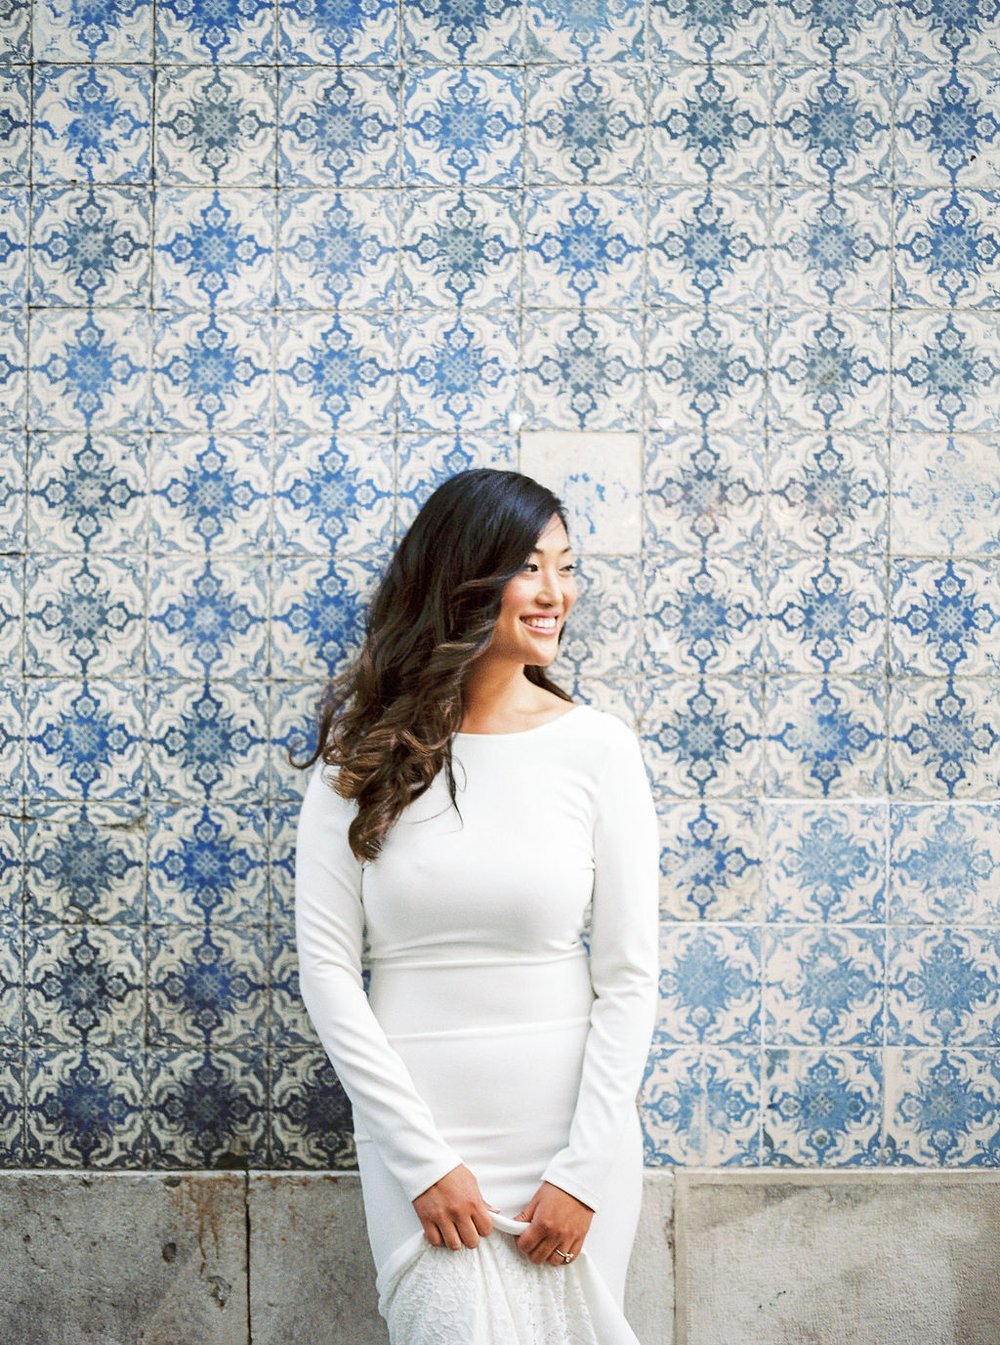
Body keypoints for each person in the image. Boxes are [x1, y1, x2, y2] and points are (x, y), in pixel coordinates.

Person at [293, 468, 659, 1344]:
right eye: (529, 567)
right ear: (462, 578)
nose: (555, 592)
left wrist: (583, 1171)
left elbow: (629, 979)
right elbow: (329, 972)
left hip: (570, 1145)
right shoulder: (361, 758)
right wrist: (421, 1161)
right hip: (417, 1143)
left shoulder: (599, 750)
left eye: (565, 567)